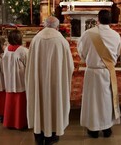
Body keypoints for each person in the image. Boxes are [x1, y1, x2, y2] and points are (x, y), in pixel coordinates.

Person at [25, 16, 74, 145]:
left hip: (38, 82)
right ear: (57, 27)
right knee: (54, 103)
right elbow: (70, 66)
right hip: (55, 83)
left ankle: (39, 135)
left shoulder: (36, 39)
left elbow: (29, 65)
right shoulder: (61, 41)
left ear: (44, 25)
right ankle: (52, 135)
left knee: (39, 102)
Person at [77, 9, 121, 138]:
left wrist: (89, 60)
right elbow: (117, 53)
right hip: (108, 71)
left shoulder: (88, 34)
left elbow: (82, 52)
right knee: (107, 100)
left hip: (92, 72)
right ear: (110, 20)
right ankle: (107, 128)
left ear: (98, 19)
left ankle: (93, 129)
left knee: (93, 100)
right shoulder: (116, 35)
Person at [2, 30, 28, 129]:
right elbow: (29, 65)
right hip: (20, 80)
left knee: (10, 101)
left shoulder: (6, 49)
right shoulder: (23, 50)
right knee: (20, 102)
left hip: (9, 79)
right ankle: (20, 123)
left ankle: (9, 123)